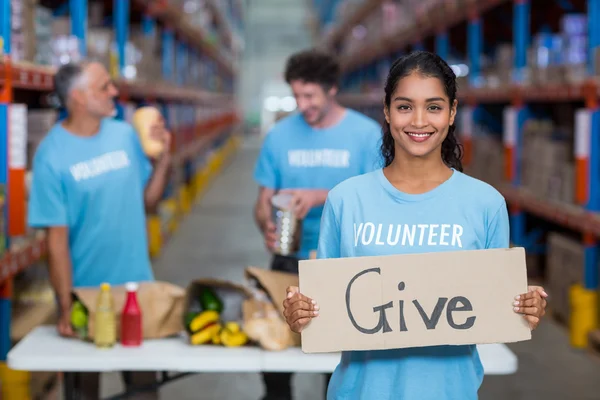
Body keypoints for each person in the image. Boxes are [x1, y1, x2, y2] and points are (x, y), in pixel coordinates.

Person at [282, 51, 549, 400]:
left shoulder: (485, 204)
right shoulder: (346, 200)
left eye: (434, 107)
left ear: (452, 113)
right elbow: (325, 307)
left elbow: (493, 307)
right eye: (405, 106)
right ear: (387, 110)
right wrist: (300, 312)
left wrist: (524, 307)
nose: (419, 121)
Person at [28, 61, 171, 400]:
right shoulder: (51, 156)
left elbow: (147, 201)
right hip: (87, 295)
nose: (114, 92)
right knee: (83, 393)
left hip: (137, 286)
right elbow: (57, 243)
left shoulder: (123, 135)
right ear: (78, 97)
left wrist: (164, 159)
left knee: (144, 390)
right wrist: (65, 306)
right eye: (104, 86)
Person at [253, 49, 383, 400]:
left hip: (342, 262)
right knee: (276, 357)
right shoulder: (279, 136)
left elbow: (379, 200)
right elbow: (263, 199)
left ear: (332, 89)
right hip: (288, 260)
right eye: (296, 95)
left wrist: (319, 196)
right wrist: (266, 223)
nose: (302, 104)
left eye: (310, 95)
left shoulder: (367, 135)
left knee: (338, 361)